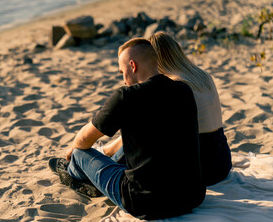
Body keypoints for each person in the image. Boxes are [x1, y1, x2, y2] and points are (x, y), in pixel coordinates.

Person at [49, 38, 206, 220]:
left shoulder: (126, 96)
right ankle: (89, 175)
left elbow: (85, 139)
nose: (123, 79)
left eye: (122, 72)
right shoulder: (184, 90)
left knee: (79, 154)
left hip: (145, 201)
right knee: (143, 142)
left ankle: (73, 172)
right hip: (192, 197)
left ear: (132, 65)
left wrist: (72, 149)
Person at [102, 32, 232, 186]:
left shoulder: (175, 86)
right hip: (222, 161)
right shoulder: (201, 75)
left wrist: (108, 150)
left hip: (201, 167)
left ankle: (101, 163)